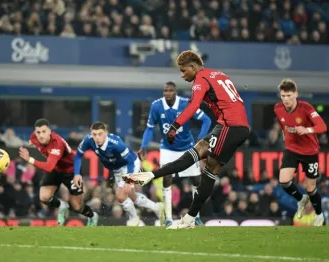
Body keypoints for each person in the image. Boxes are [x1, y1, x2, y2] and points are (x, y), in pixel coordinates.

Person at [123, 50, 250, 229]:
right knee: (205, 165)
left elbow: (193, 105)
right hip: (235, 125)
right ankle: (189, 218)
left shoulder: (200, 79)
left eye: (183, 71)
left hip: (230, 125)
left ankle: (150, 178)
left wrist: (175, 125)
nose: (182, 75)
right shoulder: (217, 74)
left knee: (199, 161)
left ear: (192, 66)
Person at [139, 81, 211, 227]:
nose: (167, 93)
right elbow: (149, 128)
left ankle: (195, 216)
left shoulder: (186, 104)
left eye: (170, 91)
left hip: (187, 147)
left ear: (175, 92)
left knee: (196, 181)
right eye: (165, 91)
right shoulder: (156, 106)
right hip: (167, 148)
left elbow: (206, 120)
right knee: (167, 179)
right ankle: (169, 218)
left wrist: (200, 140)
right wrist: (143, 146)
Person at [74, 121, 164, 226]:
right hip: (117, 168)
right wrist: (76, 173)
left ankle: (135, 220)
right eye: (94, 134)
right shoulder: (88, 140)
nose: (97, 137)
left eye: (100, 134)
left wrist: (129, 181)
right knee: (132, 197)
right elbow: (78, 156)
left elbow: (130, 161)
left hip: (130, 164)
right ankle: (156, 207)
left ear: (106, 133)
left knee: (120, 195)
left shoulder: (116, 144)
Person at [19, 119, 99, 226]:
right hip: (56, 169)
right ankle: (62, 205)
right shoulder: (34, 136)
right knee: (44, 197)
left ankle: (92, 216)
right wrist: (31, 143)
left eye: (44, 132)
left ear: (49, 132)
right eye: (38, 132)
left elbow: (48, 167)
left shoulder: (57, 143)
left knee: (77, 206)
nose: (41, 135)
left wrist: (29, 159)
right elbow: (32, 140)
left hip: (71, 170)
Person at [274, 79, 326, 226]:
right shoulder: (278, 109)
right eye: (283, 96)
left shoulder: (306, 108)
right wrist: (287, 138)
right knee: (284, 181)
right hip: (292, 149)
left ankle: (319, 215)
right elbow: (283, 124)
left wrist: (307, 130)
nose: (285, 99)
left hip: (310, 151)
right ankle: (300, 199)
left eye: (289, 95)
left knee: (310, 188)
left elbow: (322, 126)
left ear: (295, 94)